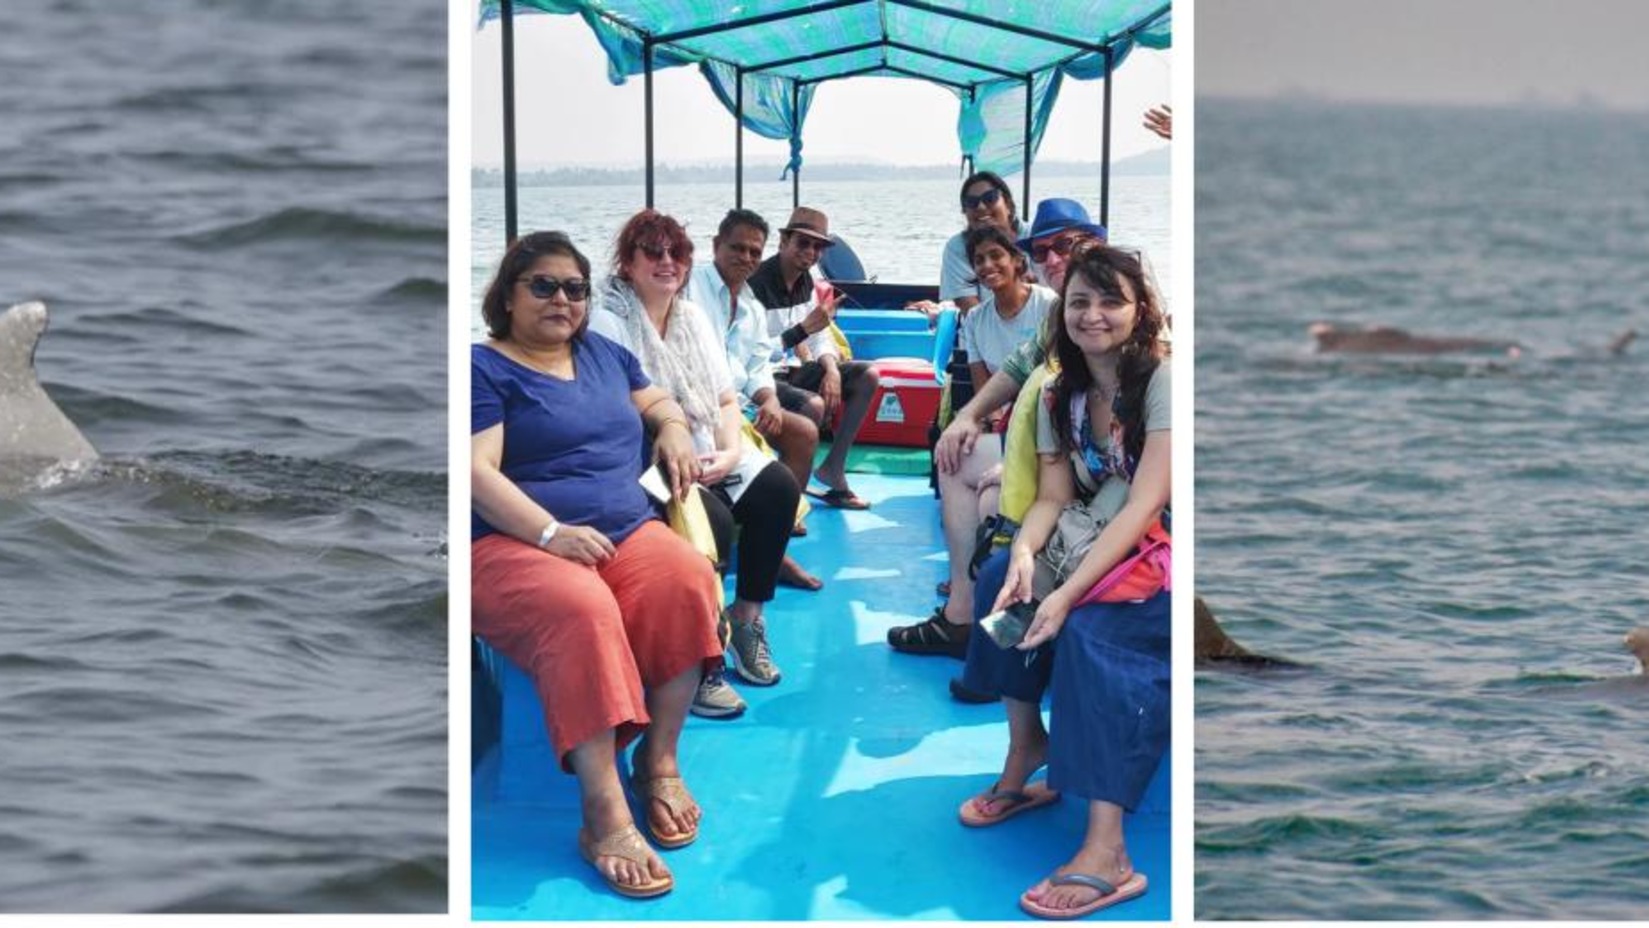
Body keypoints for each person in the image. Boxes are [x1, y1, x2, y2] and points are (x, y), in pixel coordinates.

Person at [471, 231, 721, 899]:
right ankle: (603, 814)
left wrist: (670, 428)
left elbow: (659, 401)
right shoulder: (484, 368)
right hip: (512, 545)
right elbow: (474, 472)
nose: (563, 299)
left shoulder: (605, 355)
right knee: (582, 609)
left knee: (688, 577)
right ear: (507, 296)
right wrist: (550, 533)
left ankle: (659, 765)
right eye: (544, 286)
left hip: (622, 531)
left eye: (575, 288)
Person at [956, 243, 1170, 920]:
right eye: (1079, 301)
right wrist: (1024, 557)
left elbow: (1143, 503)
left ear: (1139, 312)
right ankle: (1029, 747)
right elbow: (1051, 498)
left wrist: (1065, 593)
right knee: (1000, 586)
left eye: (1111, 301)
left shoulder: (1161, 380)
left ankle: (1109, 849)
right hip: (1095, 538)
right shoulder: (1059, 393)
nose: (1092, 315)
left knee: (1094, 635)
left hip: (1163, 546)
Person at [591, 209, 800, 695]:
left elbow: (726, 399)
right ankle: (702, 653)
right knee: (716, 522)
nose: (668, 263)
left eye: (677, 253)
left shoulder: (690, 318)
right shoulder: (610, 319)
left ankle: (746, 619)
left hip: (705, 448)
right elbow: (620, 403)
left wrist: (729, 452)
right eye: (653, 253)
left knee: (777, 488)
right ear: (628, 263)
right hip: (645, 459)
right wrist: (676, 436)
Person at [887, 225, 1057, 658]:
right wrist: (968, 426)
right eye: (979, 260)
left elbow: (1044, 396)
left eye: (996, 256)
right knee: (954, 459)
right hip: (1013, 432)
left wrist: (1012, 454)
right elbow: (988, 398)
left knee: (990, 504)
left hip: (1044, 439)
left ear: (1019, 261)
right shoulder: (976, 320)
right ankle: (961, 612)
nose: (987, 266)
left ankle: (997, 641)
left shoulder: (1050, 310)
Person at [683, 208, 824, 589]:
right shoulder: (688, 288)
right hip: (695, 409)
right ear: (715, 246)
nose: (746, 258)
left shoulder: (750, 307)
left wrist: (769, 399)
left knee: (803, 432)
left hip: (737, 406)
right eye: (737, 248)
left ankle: (772, 548)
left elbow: (758, 362)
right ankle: (748, 538)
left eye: (754, 252)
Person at [747, 205, 880, 510]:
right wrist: (801, 331)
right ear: (783, 243)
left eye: (818, 246)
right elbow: (754, 352)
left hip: (792, 370)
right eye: (803, 243)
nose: (810, 252)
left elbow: (819, 335)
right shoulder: (756, 284)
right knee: (813, 403)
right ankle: (785, 499)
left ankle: (832, 470)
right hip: (760, 377)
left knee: (867, 375)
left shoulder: (806, 282)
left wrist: (831, 369)